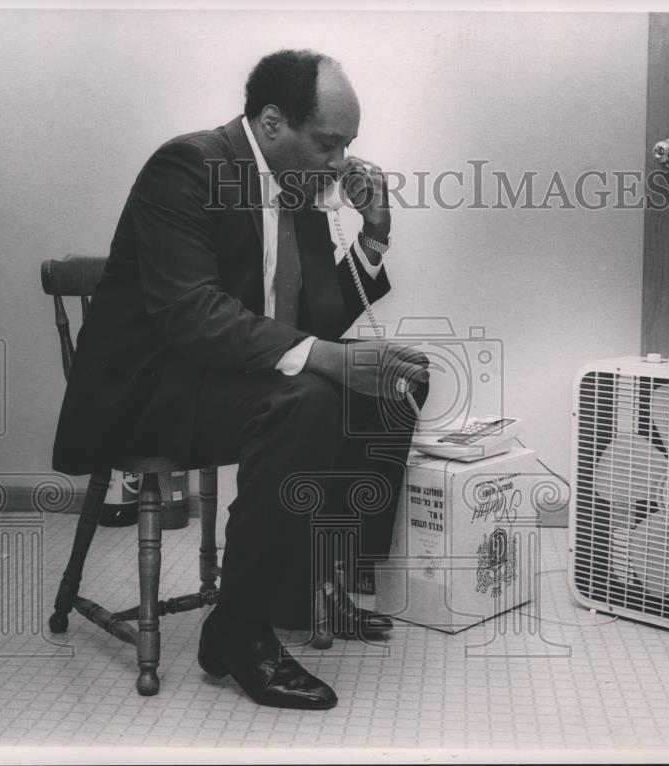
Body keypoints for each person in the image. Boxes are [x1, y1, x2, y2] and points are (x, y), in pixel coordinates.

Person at [51, 49, 429, 710]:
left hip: (224, 379)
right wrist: (330, 361)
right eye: (329, 143)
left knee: (392, 384)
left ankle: (321, 588)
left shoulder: (303, 189)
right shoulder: (189, 166)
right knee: (311, 393)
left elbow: (318, 321)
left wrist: (374, 231)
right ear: (274, 122)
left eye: (349, 146)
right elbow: (192, 315)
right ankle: (240, 630)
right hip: (148, 389)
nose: (342, 162)